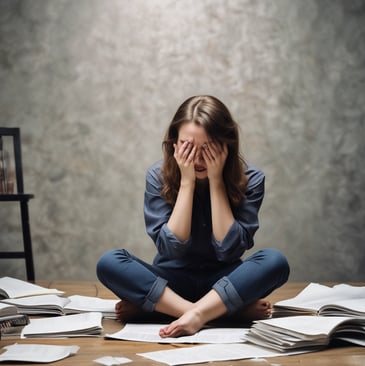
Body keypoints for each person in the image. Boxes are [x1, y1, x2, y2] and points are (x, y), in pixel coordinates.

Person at [96, 95, 289, 338]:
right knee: (109, 262)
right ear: (174, 144)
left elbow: (229, 250)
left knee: (275, 262)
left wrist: (216, 181)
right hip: (170, 281)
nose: (197, 160)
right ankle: (211, 312)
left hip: (226, 281)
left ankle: (164, 310)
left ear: (226, 145)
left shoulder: (252, 178)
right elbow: (170, 250)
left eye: (207, 149)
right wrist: (186, 182)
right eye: (188, 148)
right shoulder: (158, 175)